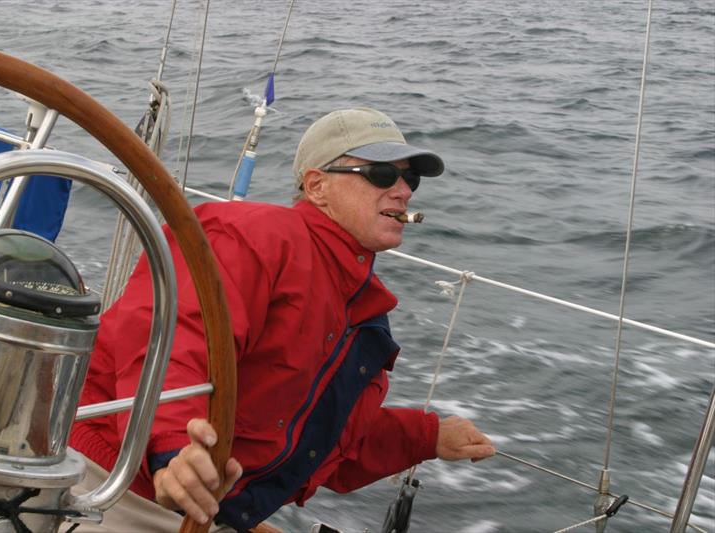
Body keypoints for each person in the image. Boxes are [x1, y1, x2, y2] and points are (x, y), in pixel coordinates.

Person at [70, 107, 495, 531]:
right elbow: (172, 343)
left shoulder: (360, 308)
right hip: (116, 479)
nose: (403, 191)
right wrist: (172, 450)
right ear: (317, 185)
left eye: (410, 179)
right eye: (382, 174)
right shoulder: (254, 237)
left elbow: (320, 439)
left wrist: (426, 438)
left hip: (205, 507)